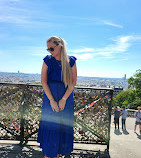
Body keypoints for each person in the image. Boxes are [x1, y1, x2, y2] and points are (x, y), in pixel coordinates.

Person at [37, 36, 77, 158]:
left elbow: (72, 83)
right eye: (48, 49)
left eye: (51, 48)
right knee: (51, 128)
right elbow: (43, 82)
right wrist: (52, 101)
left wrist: (63, 99)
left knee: (61, 129)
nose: (49, 51)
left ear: (60, 46)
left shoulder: (71, 61)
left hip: (66, 99)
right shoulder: (47, 60)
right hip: (50, 99)